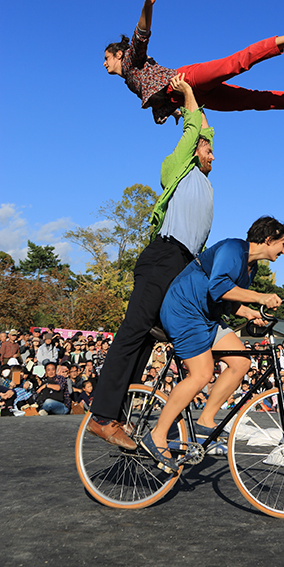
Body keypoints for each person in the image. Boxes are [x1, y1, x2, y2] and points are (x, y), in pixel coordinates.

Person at [88, 76, 216, 449]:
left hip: (182, 265)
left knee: (148, 336)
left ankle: (121, 411)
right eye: (208, 151)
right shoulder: (178, 168)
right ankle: (102, 416)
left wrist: (197, 111)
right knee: (133, 330)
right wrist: (189, 94)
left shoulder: (205, 183)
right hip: (163, 257)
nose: (213, 156)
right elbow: (197, 131)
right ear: (195, 152)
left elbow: (206, 130)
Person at [140, 216, 284, 473]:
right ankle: (156, 435)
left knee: (241, 361)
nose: (283, 251)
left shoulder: (250, 268)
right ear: (268, 239)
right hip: (184, 311)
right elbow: (219, 287)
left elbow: (228, 301)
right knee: (202, 373)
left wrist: (252, 313)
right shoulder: (233, 248)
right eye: (282, 244)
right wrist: (261, 299)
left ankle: (206, 419)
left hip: (207, 317)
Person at [104, 0, 284, 131]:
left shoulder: (132, 60)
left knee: (236, 63)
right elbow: (159, 98)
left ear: (120, 55)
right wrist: (174, 111)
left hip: (186, 80)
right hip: (192, 98)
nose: (104, 64)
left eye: (107, 58)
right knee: (249, 100)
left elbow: (141, 33)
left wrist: (148, 5)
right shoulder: (131, 82)